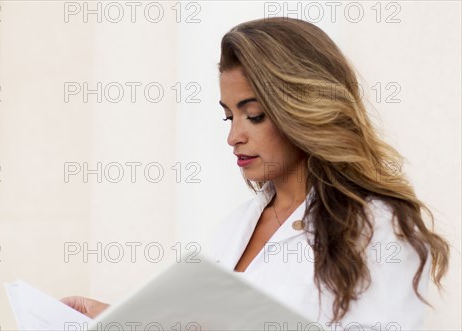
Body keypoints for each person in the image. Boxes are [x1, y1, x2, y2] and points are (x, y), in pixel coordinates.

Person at [61, 17, 450, 329]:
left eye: (255, 115)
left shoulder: (378, 227)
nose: (233, 136)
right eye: (229, 116)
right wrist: (118, 320)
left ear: (304, 108)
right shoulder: (235, 227)